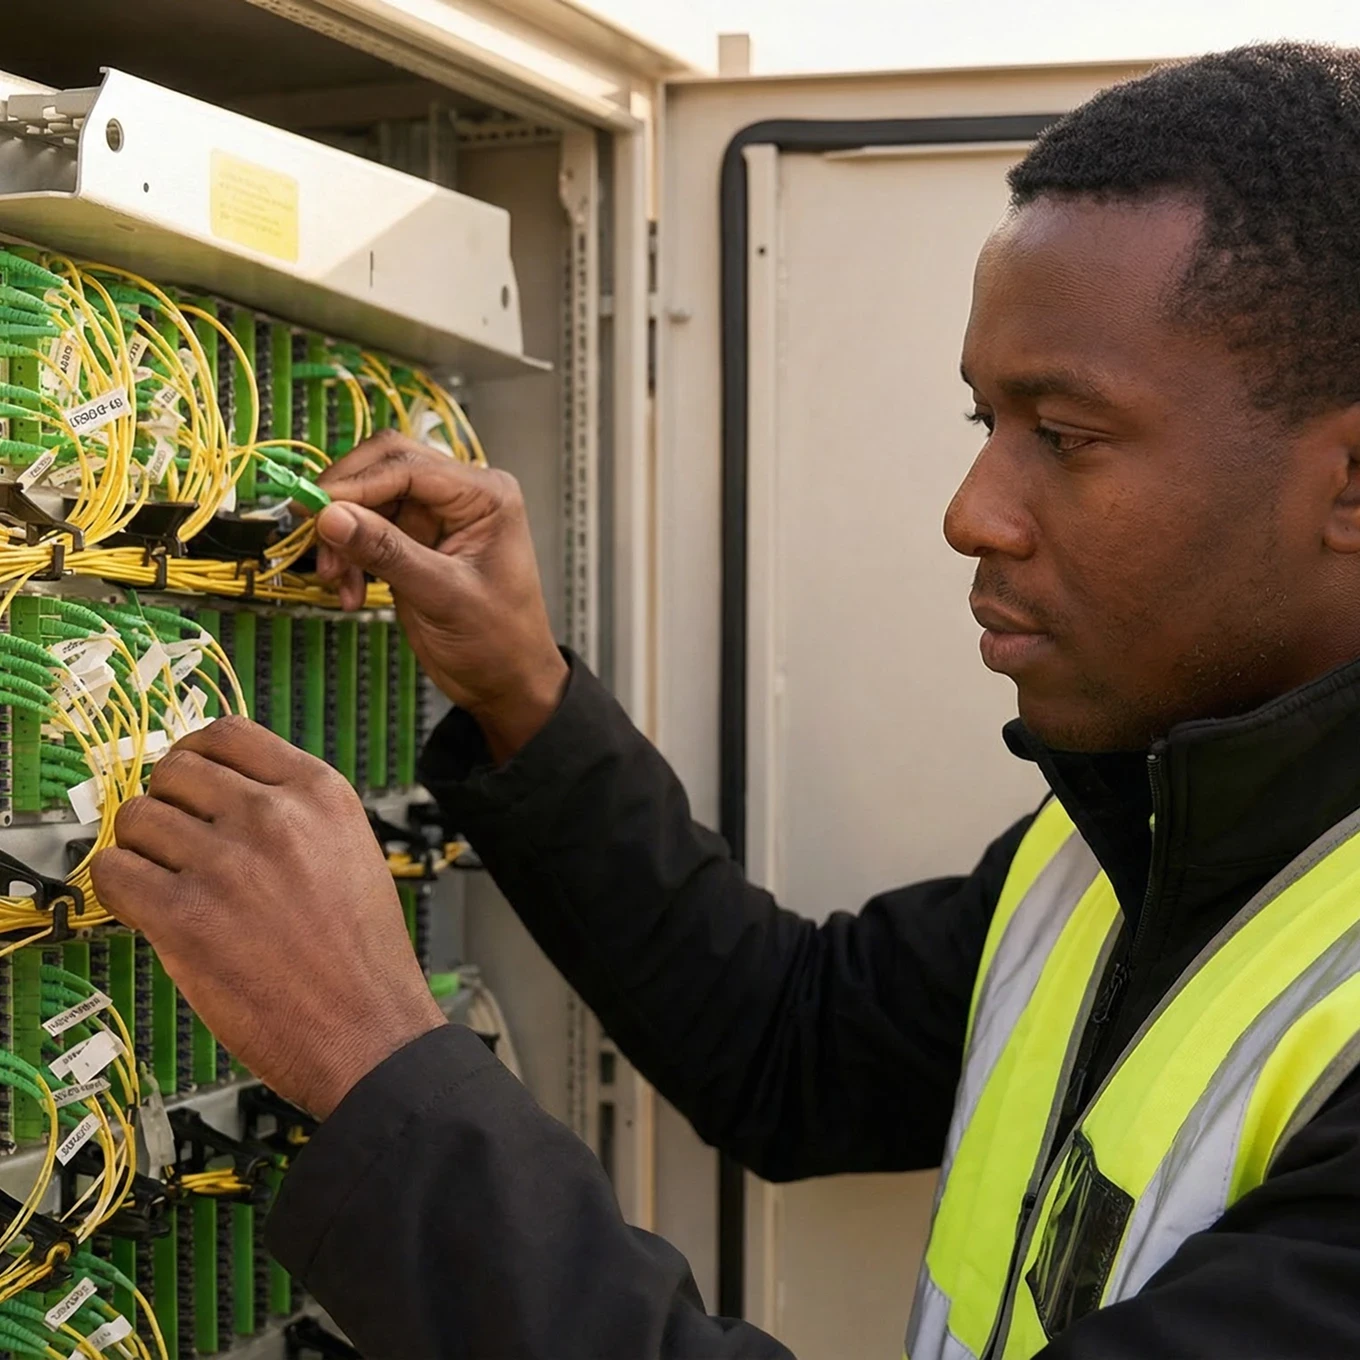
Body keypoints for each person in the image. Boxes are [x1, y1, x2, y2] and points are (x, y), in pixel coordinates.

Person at [90, 40, 1360, 1360]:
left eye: (1066, 435)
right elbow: (791, 1051)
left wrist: (371, 1053)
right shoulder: (1127, 841)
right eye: (983, 422)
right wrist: (521, 692)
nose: (973, 512)